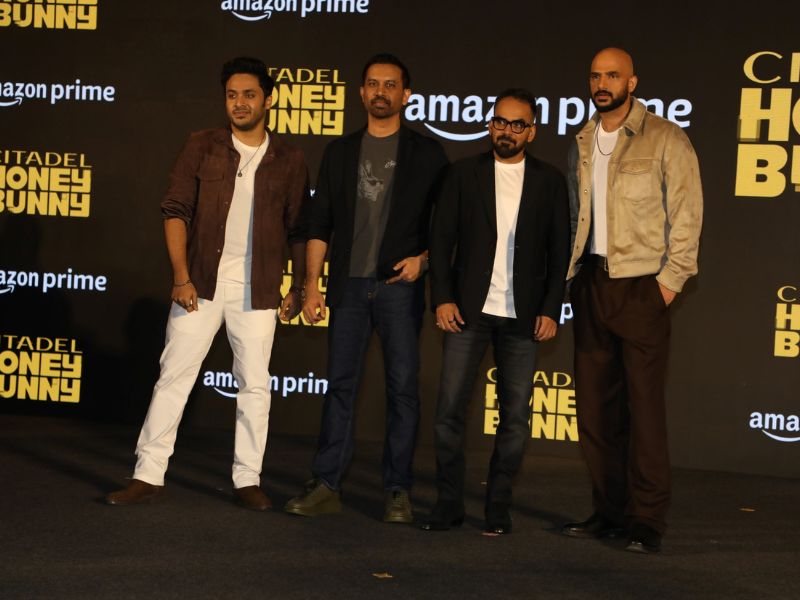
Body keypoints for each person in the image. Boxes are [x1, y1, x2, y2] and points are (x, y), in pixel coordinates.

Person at [105, 57, 310, 511]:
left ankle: (247, 479)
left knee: (255, 385)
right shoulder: (202, 145)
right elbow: (175, 210)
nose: (239, 103)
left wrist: (299, 287)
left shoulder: (290, 159)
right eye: (232, 95)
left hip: (258, 288)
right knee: (173, 377)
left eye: (249, 94)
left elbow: (298, 228)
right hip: (199, 283)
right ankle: (147, 474)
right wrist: (181, 277)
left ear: (269, 99)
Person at [284, 53, 448, 523]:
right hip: (349, 288)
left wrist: (423, 261)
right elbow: (319, 223)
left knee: (403, 391)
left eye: (390, 85)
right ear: (361, 92)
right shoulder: (339, 152)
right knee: (340, 386)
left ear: (406, 95)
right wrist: (311, 286)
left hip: (400, 288)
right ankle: (327, 483)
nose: (381, 92)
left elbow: (446, 226)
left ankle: (397, 490)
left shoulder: (428, 154)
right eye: (373, 84)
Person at [561, 48, 703, 553]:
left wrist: (668, 284)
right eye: (595, 75)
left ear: (632, 82)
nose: (602, 83)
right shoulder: (581, 139)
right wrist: (573, 279)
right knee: (595, 410)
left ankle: (646, 520)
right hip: (591, 283)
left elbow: (687, 215)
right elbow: (577, 216)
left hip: (642, 286)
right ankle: (609, 510)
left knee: (643, 411)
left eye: (612, 75)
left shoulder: (665, 137)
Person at [421, 89, 570, 534]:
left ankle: (498, 505)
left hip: (523, 317)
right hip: (467, 312)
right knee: (449, 412)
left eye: (517, 124)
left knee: (516, 419)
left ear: (532, 132)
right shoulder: (462, 174)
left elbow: (559, 250)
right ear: (490, 125)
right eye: (500, 122)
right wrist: (442, 297)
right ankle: (449, 504)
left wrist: (551, 308)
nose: (507, 131)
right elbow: (440, 240)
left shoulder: (550, 181)